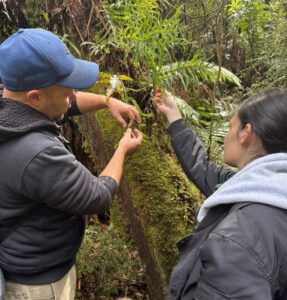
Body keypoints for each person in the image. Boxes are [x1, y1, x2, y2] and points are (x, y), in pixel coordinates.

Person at [0, 28, 143, 300]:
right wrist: (122, 150)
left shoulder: (10, 102)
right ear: (35, 97)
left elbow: (67, 106)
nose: (74, 97)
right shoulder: (37, 154)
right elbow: (97, 197)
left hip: (30, 259)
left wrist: (106, 101)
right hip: (38, 283)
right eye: (67, 92)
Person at [154, 87, 287, 299]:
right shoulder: (262, 189)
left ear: (246, 133)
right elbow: (203, 169)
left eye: (230, 126)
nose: (226, 136)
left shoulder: (238, 238)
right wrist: (173, 116)